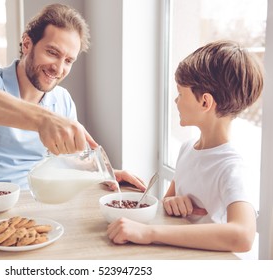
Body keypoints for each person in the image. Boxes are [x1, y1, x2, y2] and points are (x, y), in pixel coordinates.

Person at [0, 3, 145, 195]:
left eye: (68, 61)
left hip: (31, 205)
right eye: (52, 53)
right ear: (27, 44)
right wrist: (43, 120)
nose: (58, 69)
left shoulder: (62, 100)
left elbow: (67, 162)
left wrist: (103, 174)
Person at [107, 40, 264, 252]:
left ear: (205, 103)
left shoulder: (231, 167)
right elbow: (166, 202)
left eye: (181, 93)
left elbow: (243, 236)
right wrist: (172, 203)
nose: (176, 100)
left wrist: (148, 233)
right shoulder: (188, 148)